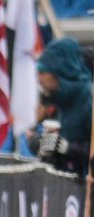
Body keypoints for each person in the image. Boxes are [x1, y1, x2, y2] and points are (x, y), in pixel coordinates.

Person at [34, 37, 92, 176]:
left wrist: (68, 148)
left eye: (42, 72)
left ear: (60, 71)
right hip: (66, 189)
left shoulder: (89, 98)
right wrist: (46, 149)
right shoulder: (60, 100)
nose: (39, 79)